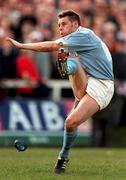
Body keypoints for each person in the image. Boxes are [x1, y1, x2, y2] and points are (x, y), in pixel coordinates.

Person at [7, 10, 114, 174]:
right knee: (72, 64)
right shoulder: (77, 40)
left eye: (64, 24)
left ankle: (62, 157)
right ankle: (65, 68)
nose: (60, 28)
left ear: (75, 24)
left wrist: (23, 46)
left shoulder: (83, 35)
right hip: (89, 79)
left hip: (102, 85)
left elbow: (51, 45)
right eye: (58, 25)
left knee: (70, 122)